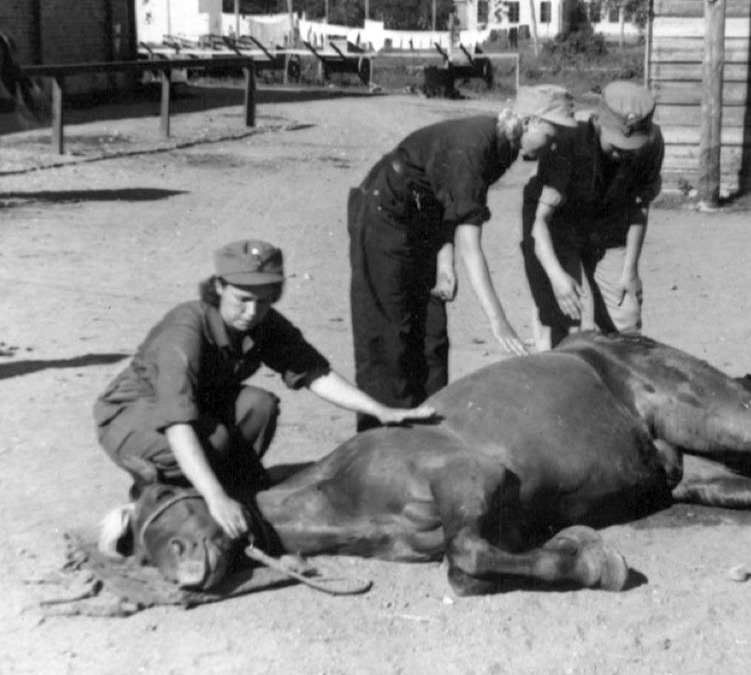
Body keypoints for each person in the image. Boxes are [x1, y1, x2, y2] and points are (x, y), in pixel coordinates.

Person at [92, 239, 437, 540]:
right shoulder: (185, 329)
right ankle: (162, 501)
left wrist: (380, 410)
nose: (252, 311)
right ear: (218, 286)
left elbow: (315, 373)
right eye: (242, 299)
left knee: (259, 405)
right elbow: (178, 423)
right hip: (132, 418)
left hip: (196, 411)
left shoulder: (263, 322)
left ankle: (233, 493)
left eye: (264, 301)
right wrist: (215, 498)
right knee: (216, 441)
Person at [348, 85, 577, 431]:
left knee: (431, 339)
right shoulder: (475, 147)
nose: (554, 145)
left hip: (422, 221)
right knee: (387, 338)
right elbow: (472, 244)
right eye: (551, 133)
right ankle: (378, 446)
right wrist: (497, 319)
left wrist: (444, 262)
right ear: (529, 122)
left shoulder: (505, 146)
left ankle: (427, 437)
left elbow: (448, 203)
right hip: (385, 213)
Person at [522, 80, 665, 350]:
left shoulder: (651, 143)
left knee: (627, 319)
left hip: (609, 227)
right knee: (561, 320)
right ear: (599, 122)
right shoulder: (568, 140)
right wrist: (557, 277)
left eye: (631, 146)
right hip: (558, 226)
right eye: (617, 144)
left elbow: (640, 205)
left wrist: (630, 269)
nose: (624, 154)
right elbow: (540, 221)